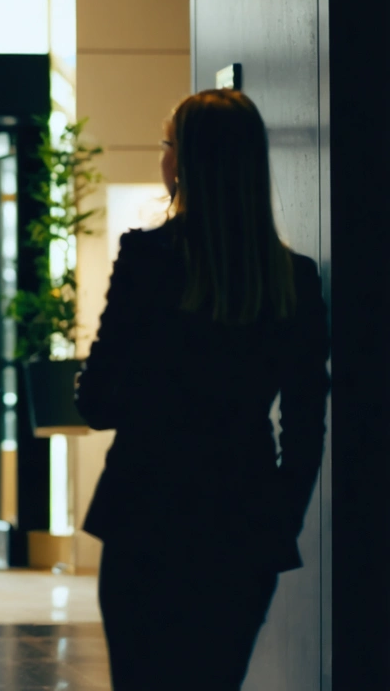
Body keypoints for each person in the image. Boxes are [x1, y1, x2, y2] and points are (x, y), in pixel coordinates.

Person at [75, 89, 330, 690]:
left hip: (144, 511)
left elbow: (99, 402)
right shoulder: (293, 278)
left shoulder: (146, 257)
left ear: (185, 160)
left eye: (167, 144)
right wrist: (281, 517)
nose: (162, 157)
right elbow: (305, 419)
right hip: (244, 520)